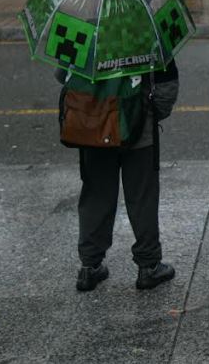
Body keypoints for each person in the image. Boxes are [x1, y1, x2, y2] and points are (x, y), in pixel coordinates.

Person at [58, 64, 179, 292]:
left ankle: (89, 266)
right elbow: (167, 84)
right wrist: (150, 113)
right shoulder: (146, 31)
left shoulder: (83, 28)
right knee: (142, 196)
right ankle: (148, 266)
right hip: (138, 127)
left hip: (94, 127)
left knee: (96, 194)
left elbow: (63, 75)